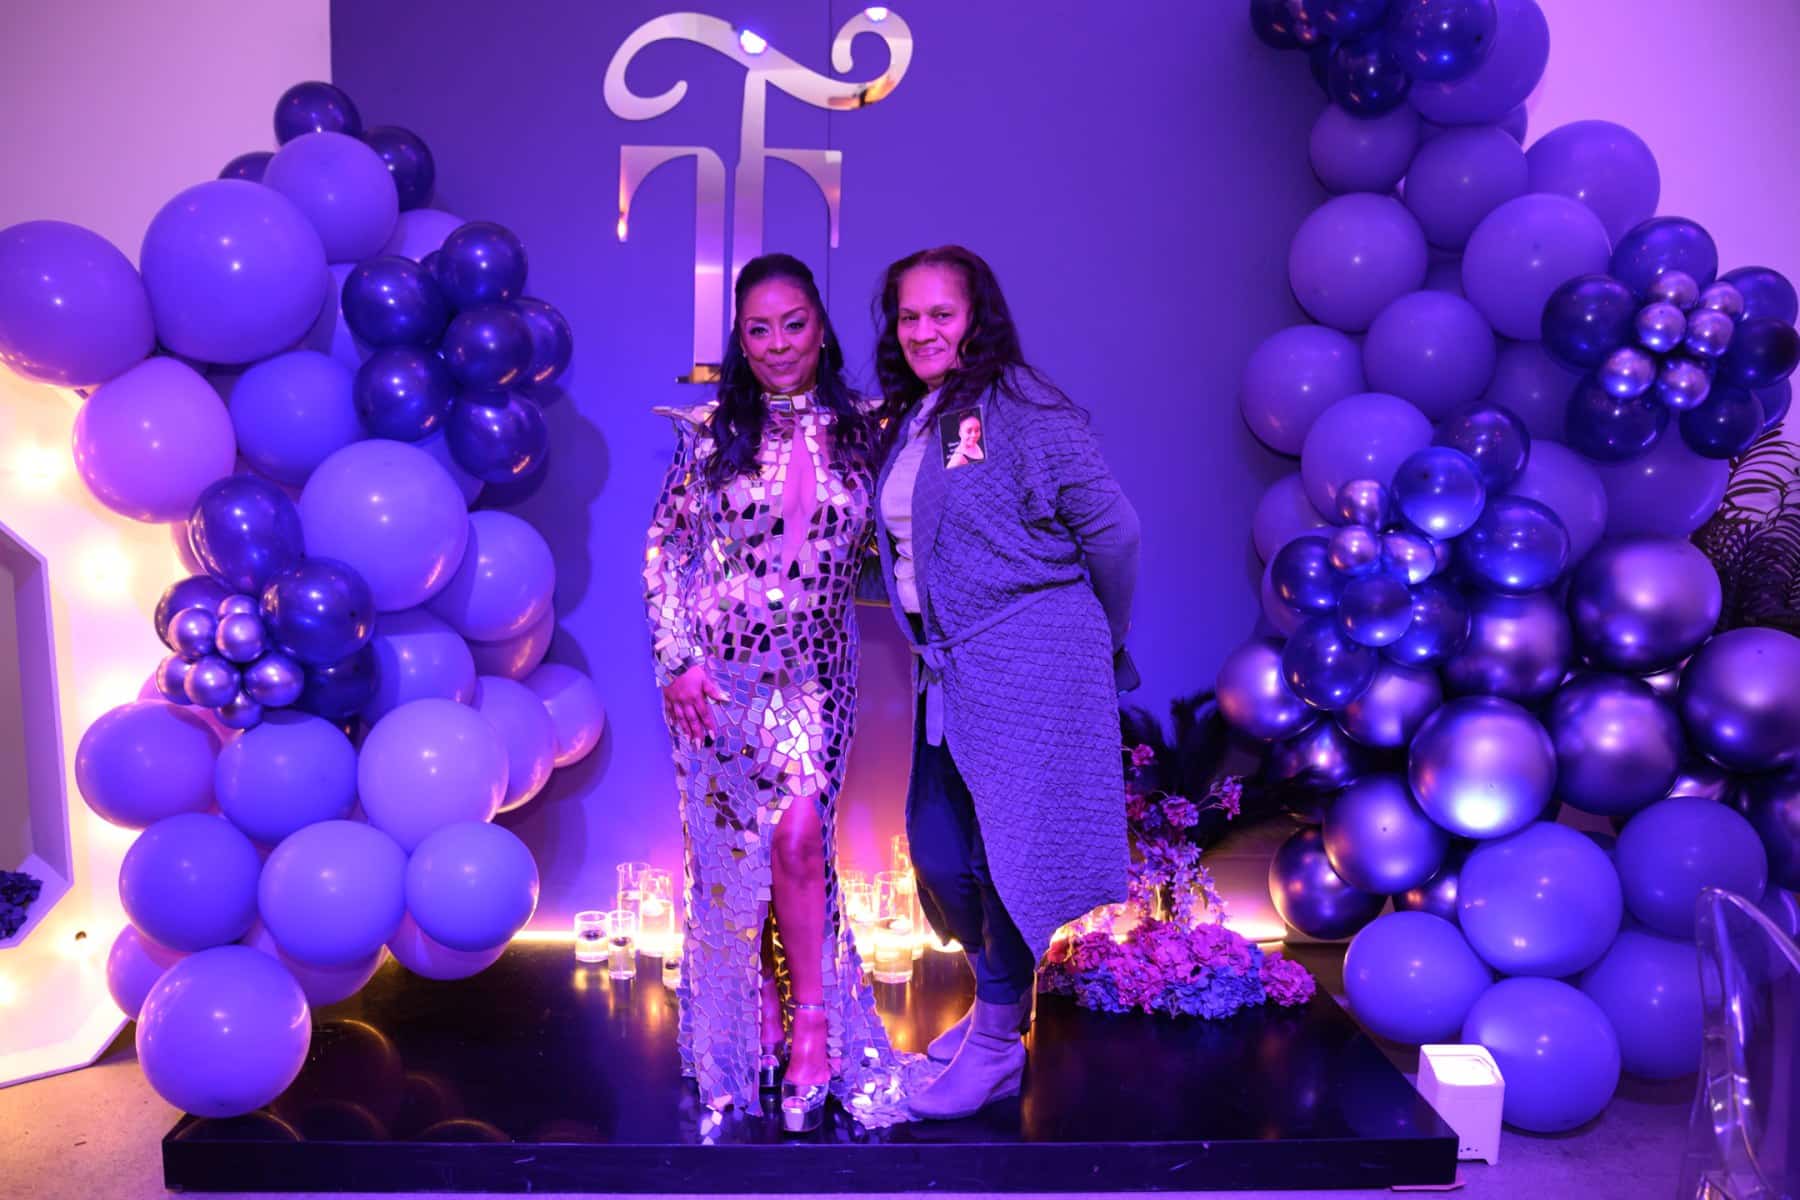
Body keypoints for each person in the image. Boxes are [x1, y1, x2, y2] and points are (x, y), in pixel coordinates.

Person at [643, 252, 922, 1133]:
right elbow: (667, 551)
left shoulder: (870, 432)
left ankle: (813, 1027)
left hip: (816, 676)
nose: (776, 344)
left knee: (799, 840)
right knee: (735, 858)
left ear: (821, 328)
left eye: (792, 324)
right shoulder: (709, 434)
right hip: (717, 680)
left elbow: (905, 537)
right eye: (757, 329)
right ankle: (751, 1015)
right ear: (740, 337)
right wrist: (677, 660)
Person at [869, 245, 1140, 1120]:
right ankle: (998, 1008)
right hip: (951, 666)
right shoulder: (919, 416)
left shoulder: (1023, 406)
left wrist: (1098, 640)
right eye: (908, 316)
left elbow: (1115, 532)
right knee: (941, 849)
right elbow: (919, 548)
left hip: (1029, 660)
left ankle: (994, 1046)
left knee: (1003, 856)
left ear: (977, 317)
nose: (922, 331)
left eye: (940, 314)